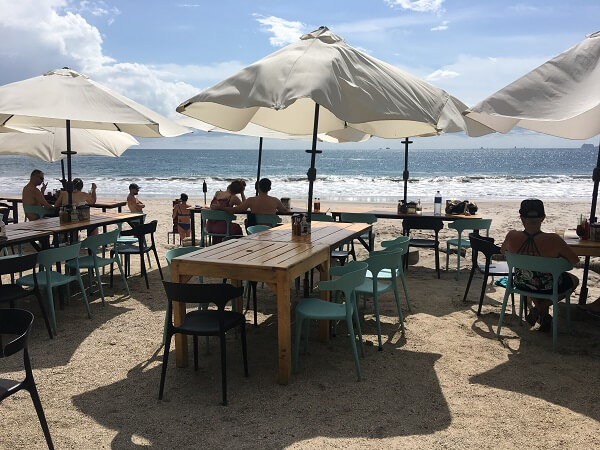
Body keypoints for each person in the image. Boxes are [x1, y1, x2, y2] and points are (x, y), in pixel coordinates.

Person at [501, 198, 579, 332]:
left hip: (521, 283)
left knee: (532, 278)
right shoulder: (554, 240)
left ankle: (541, 314)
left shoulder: (512, 236)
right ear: (543, 218)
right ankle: (540, 309)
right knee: (573, 280)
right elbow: (574, 260)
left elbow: (502, 251)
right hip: (547, 287)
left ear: (521, 218)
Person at [220, 178, 290, 216]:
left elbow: (237, 209)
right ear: (269, 189)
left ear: (258, 187)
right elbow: (285, 211)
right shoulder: (275, 201)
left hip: (254, 230)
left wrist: (221, 208)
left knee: (247, 221)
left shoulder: (251, 200)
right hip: (270, 229)